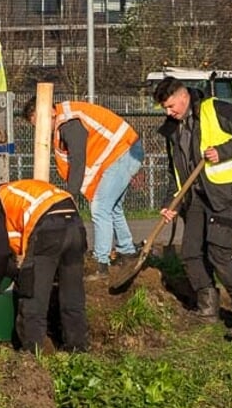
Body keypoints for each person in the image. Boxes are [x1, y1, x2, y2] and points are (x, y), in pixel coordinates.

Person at [153, 75, 232, 339]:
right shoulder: (173, 128)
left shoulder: (216, 109)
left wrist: (222, 151)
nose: (169, 112)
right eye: (166, 109)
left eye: (171, 106)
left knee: (219, 252)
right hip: (196, 198)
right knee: (190, 254)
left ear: (183, 96)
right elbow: (175, 171)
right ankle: (208, 310)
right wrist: (171, 203)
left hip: (225, 193)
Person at [21, 96, 144, 278]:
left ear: (51, 112)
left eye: (39, 123)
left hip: (123, 152)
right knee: (113, 208)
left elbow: (77, 159)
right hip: (123, 150)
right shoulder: (65, 119)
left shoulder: (69, 123)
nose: (40, 130)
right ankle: (127, 251)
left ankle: (100, 264)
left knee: (100, 208)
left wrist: (70, 196)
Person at [0, 179, 88, 353]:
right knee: (73, 294)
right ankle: (77, 348)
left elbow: (0, 250)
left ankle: (32, 352)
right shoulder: (18, 191)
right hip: (76, 225)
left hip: (49, 229)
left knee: (33, 294)